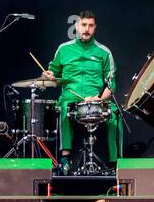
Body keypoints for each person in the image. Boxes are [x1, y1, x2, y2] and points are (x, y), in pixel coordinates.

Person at [42, 10, 119, 173]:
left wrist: (99, 98)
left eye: (90, 26)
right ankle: (65, 159)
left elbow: (111, 84)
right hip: (71, 98)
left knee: (114, 114)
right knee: (65, 108)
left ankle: (114, 164)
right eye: (84, 25)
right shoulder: (63, 49)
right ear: (77, 26)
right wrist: (48, 75)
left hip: (96, 100)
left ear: (95, 28)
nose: (87, 29)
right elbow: (52, 72)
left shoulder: (104, 52)